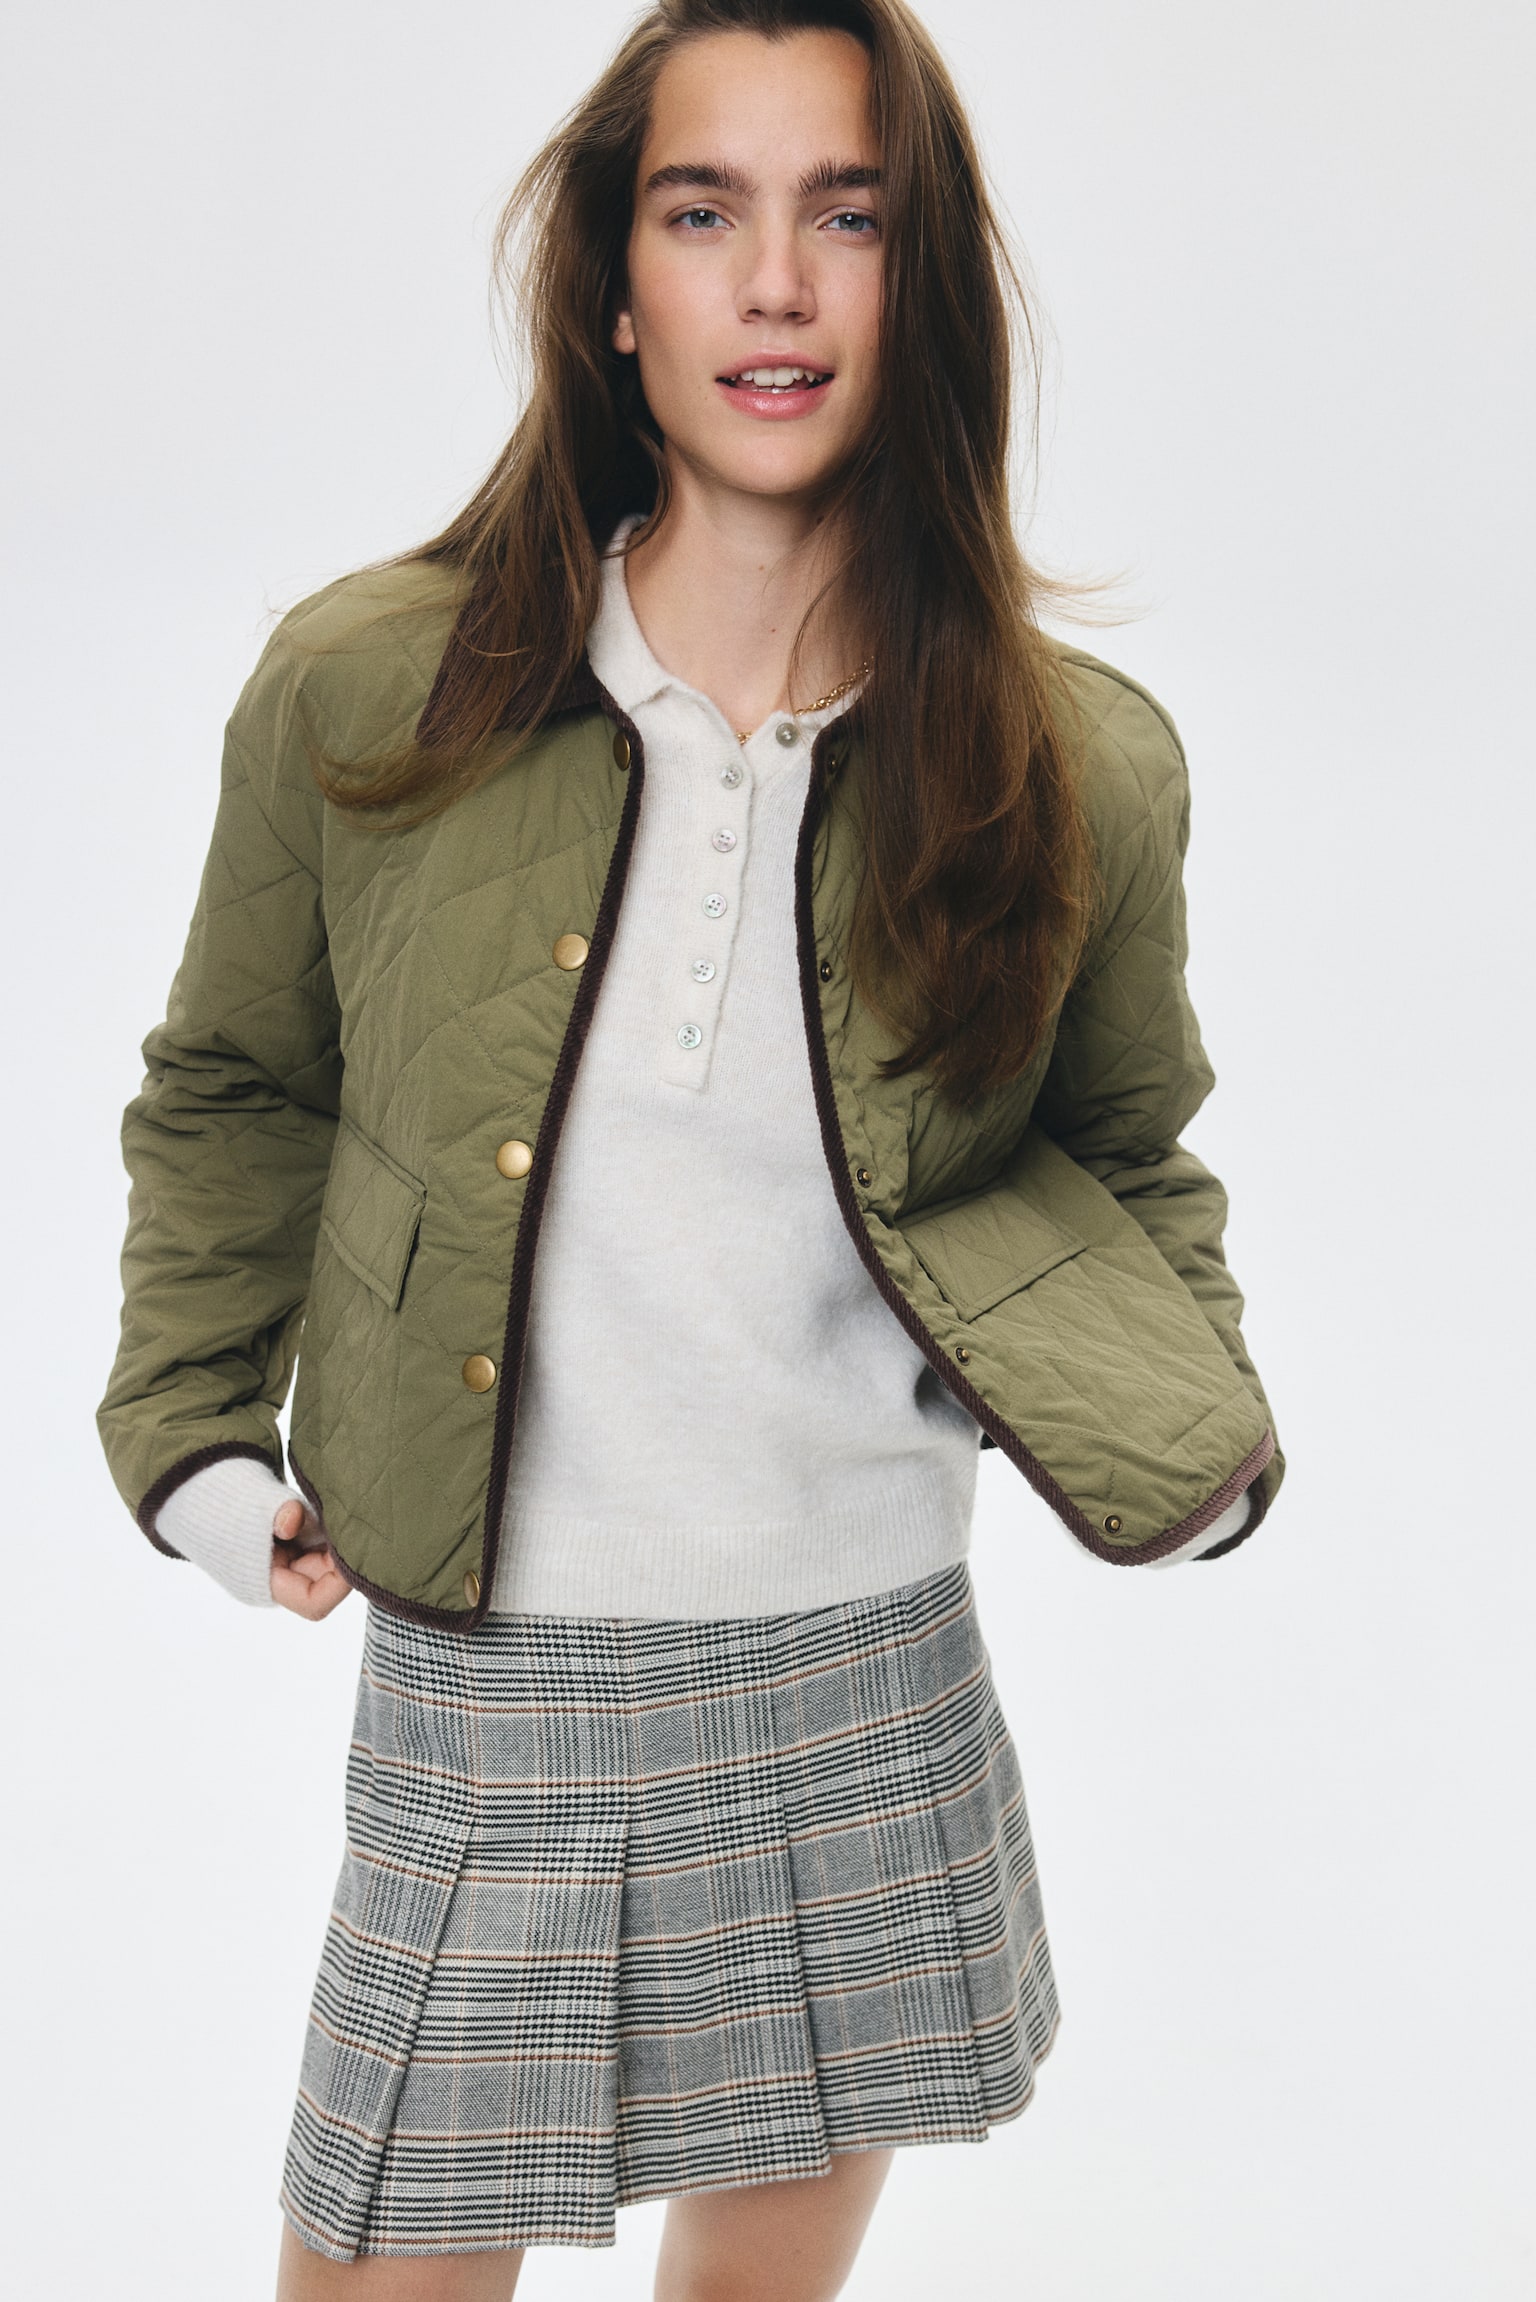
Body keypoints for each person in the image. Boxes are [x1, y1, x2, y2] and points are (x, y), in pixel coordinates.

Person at [98, 2, 1283, 2295]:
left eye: (850, 215)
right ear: (614, 288)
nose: (776, 283)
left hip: (866, 1673)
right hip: (497, 1683)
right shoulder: (371, 690)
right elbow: (238, 1084)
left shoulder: (1077, 765)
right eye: (702, 209)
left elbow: (1129, 1147)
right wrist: (194, 1442)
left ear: (924, 286)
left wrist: (1187, 1421)